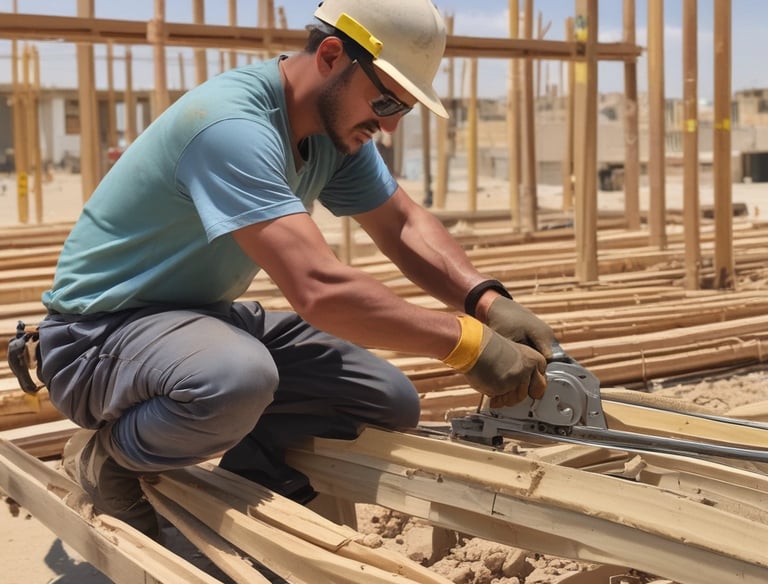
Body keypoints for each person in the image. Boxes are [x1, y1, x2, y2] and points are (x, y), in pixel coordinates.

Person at [37, 0, 555, 538]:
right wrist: (466, 344)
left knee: (384, 401)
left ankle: (241, 499)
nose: (389, 126)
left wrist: (485, 302)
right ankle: (111, 458)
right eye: (383, 100)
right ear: (332, 55)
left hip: (198, 322)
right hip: (96, 339)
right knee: (236, 380)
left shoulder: (331, 132)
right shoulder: (231, 126)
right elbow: (319, 289)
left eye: (403, 109)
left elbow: (401, 224)